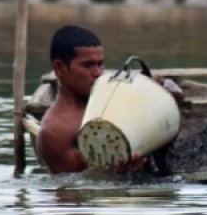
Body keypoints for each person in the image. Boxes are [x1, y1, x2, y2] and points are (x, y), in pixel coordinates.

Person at [36, 25, 181, 173]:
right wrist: (120, 175)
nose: (98, 73)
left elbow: (175, 93)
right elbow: (75, 189)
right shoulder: (56, 132)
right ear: (60, 68)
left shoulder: (112, 95)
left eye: (100, 64)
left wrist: (151, 87)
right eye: (88, 65)